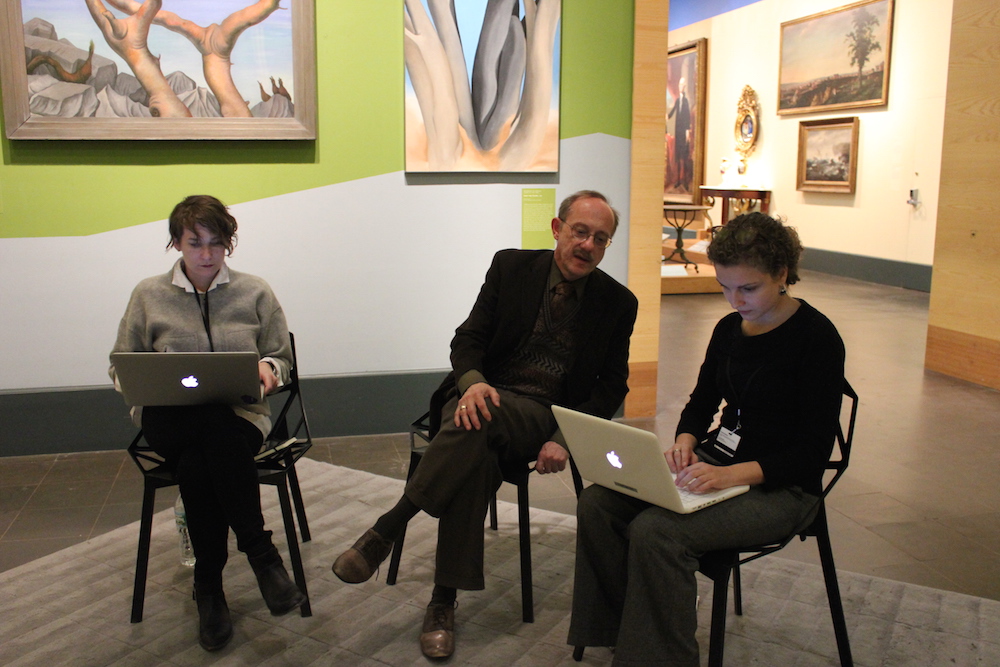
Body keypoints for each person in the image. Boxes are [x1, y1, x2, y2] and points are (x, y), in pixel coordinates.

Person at [332, 190, 638, 659]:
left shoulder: (618, 303)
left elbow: (612, 386)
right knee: (475, 443)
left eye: (601, 238)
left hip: (541, 416)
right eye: (580, 232)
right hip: (483, 398)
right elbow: (468, 337)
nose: (588, 245)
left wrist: (565, 437)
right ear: (557, 230)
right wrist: (472, 382)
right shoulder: (511, 267)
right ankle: (441, 600)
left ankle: (390, 527)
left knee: (476, 422)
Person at [568, 212, 846, 665]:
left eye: (748, 288)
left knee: (658, 532)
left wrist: (729, 474)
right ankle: (623, 631)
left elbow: (811, 454)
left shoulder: (817, 339)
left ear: (781, 275)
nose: (734, 300)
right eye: (724, 287)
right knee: (599, 503)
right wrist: (685, 439)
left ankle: (660, 656)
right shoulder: (727, 330)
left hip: (782, 487)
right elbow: (702, 402)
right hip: (717, 462)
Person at [109, 195, 305, 652]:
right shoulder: (147, 294)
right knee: (209, 427)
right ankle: (261, 554)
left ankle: (210, 590)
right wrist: (137, 384)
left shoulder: (255, 291)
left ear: (228, 245)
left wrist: (268, 372)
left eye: (216, 244)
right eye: (195, 243)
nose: (205, 254)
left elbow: (282, 357)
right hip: (167, 419)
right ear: (176, 242)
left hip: (240, 418)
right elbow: (120, 365)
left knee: (200, 462)